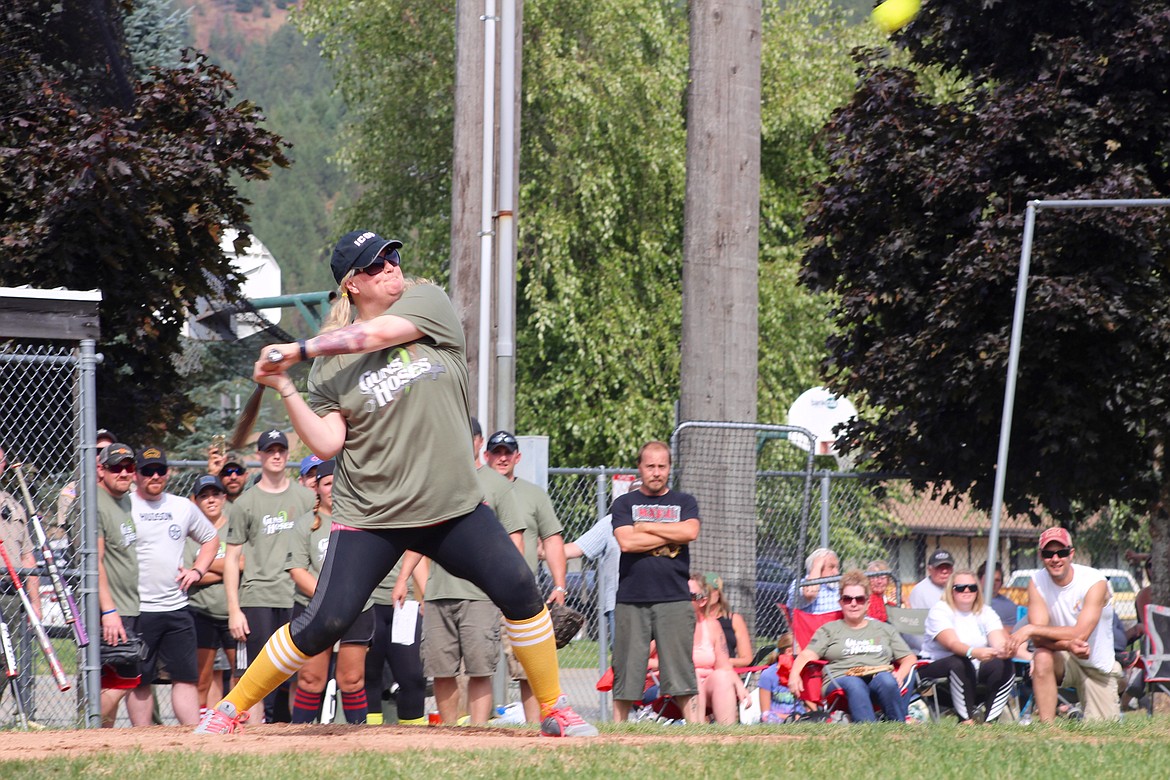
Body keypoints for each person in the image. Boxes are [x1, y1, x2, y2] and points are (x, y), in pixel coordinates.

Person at [196, 229, 595, 737]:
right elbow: (326, 443)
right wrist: (287, 386)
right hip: (374, 516)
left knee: (519, 587)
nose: (390, 266)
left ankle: (556, 710)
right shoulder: (330, 370)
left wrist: (299, 347)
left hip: (451, 507)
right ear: (351, 284)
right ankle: (229, 710)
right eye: (375, 263)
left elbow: (376, 335)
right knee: (326, 623)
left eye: (391, 255)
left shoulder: (428, 304)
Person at [415, 419, 526, 725]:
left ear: (479, 443)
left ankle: (478, 732)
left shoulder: (497, 485)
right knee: (441, 670)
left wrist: (505, 589)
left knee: (480, 669)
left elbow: (515, 542)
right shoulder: (436, 482)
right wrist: (422, 589)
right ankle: (450, 732)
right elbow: (420, 539)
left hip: (480, 594)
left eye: (467, 437)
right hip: (439, 593)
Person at [222, 429, 316, 723]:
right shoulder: (245, 503)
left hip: (297, 595)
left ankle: (293, 732)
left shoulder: (306, 498)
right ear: (260, 456)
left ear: (287, 455)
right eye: (270, 450)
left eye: (281, 450)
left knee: (299, 671)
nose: (276, 455)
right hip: (258, 596)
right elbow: (231, 558)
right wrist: (234, 610)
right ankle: (257, 737)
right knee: (258, 674)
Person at [610, 440, 701, 724]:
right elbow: (626, 542)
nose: (656, 472)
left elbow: (690, 532)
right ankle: (617, 731)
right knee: (626, 673)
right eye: (650, 466)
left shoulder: (685, 502)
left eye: (662, 466)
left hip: (674, 598)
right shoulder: (625, 503)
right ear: (640, 467)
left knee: (681, 673)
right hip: (632, 598)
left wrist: (647, 527)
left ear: (669, 468)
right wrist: (670, 533)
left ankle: (696, 731)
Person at [128, 446, 219, 726]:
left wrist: (198, 570)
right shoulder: (125, 505)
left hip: (177, 607)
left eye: (160, 470)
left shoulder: (182, 506)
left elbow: (211, 539)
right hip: (140, 607)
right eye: (147, 471)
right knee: (140, 679)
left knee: (186, 677)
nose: (155, 476)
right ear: (136, 474)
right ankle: (141, 741)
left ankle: (192, 738)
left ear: (167, 472)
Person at [484, 428, 569, 723]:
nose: (503, 457)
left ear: (518, 457)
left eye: (508, 452)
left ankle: (537, 728)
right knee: (473, 668)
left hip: (517, 596)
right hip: (477, 594)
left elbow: (553, 540)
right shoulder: (474, 488)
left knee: (527, 670)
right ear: (486, 456)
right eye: (497, 452)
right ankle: (469, 734)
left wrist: (559, 584)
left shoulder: (533, 494)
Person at [286, 460, 372, 724]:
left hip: (357, 609)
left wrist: (348, 600)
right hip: (315, 608)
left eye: (339, 482)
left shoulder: (362, 520)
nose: (333, 489)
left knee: (352, 680)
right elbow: (298, 570)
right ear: (318, 488)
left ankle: (360, 738)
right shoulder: (306, 524)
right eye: (327, 483)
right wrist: (331, 598)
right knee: (311, 680)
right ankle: (299, 739)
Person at [1006, 527, 1121, 722]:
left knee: (1103, 734)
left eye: (1062, 552)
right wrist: (1066, 645)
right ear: (1041, 556)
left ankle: (1116, 683)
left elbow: (1081, 633)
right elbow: (1039, 640)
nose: (1056, 558)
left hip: (1097, 666)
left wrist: (1030, 628)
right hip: (1065, 657)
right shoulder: (1036, 582)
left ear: (1072, 554)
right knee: (1041, 657)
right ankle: (1047, 729)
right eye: (1048, 554)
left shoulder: (1095, 581)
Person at [788, 569, 916, 723]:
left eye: (859, 599)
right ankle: (868, 731)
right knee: (854, 683)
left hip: (877, 677)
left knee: (887, 680)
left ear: (867, 603)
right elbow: (807, 654)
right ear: (840, 602)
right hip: (841, 679)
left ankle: (899, 727)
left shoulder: (884, 629)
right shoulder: (829, 629)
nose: (854, 604)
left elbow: (909, 658)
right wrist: (794, 674)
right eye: (847, 599)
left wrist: (900, 675)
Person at [918, 569, 1014, 724]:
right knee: (959, 662)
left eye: (972, 587)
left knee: (1002, 663)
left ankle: (991, 721)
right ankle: (966, 720)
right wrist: (974, 652)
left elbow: (998, 641)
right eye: (961, 587)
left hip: (972, 672)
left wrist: (1005, 650)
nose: (967, 590)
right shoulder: (940, 610)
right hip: (937, 670)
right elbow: (952, 644)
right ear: (951, 590)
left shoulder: (985, 611)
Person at [95, 442, 145, 726]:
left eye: (129, 467)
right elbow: (96, 561)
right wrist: (108, 611)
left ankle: (102, 739)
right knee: (123, 681)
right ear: (101, 470)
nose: (124, 472)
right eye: (117, 467)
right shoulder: (95, 504)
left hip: (128, 604)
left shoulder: (124, 499)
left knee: (117, 679)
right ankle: (85, 727)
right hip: (112, 608)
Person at [186, 474, 238, 715]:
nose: (210, 500)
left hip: (234, 614)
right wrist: (229, 567)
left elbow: (244, 563)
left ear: (224, 497)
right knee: (202, 680)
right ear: (195, 501)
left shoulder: (234, 526)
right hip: (201, 611)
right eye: (204, 496)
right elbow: (187, 574)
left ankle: (238, 724)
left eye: (215, 494)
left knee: (240, 676)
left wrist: (203, 566)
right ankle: (201, 727)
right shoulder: (191, 532)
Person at [0, 444, 39, 716]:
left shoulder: (12, 504)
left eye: (1, 460)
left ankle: (23, 714)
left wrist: (35, 601)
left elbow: (28, 555)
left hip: (13, 593)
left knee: (11, 659)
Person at [688, 574, 748, 724]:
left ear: (703, 600)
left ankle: (727, 738)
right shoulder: (670, 624)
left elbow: (726, 666)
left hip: (708, 684)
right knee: (691, 673)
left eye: (690, 595)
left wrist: (739, 686)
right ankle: (697, 734)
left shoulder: (715, 625)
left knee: (723, 676)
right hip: (680, 685)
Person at [564, 506, 622, 648]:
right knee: (624, 660)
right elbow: (576, 548)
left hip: (663, 602)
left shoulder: (667, 520)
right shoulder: (611, 523)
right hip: (620, 604)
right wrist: (544, 550)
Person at [905, 549, 955, 653]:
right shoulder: (920, 591)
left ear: (952, 569)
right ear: (929, 569)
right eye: (939, 568)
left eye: (947, 567)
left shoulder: (959, 588)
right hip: (931, 645)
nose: (944, 571)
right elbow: (916, 628)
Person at [703, 573, 753, 668]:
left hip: (725, 672)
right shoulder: (697, 620)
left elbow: (747, 659)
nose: (709, 594)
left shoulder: (734, 620)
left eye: (713, 590)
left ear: (719, 593)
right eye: (706, 591)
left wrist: (723, 661)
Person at [786, 548, 841, 615]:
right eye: (831, 567)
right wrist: (817, 565)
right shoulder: (798, 584)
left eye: (837, 567)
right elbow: (810, 594)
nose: (836, 572)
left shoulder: (837, 588)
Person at [978, 561, 1019, 630]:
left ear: (1001, 583)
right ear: (979, 580)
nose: (993, 583)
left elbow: (1014, 631)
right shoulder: (969, 600)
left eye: (997, 580)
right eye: (989, 579)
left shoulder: (1009, 606)